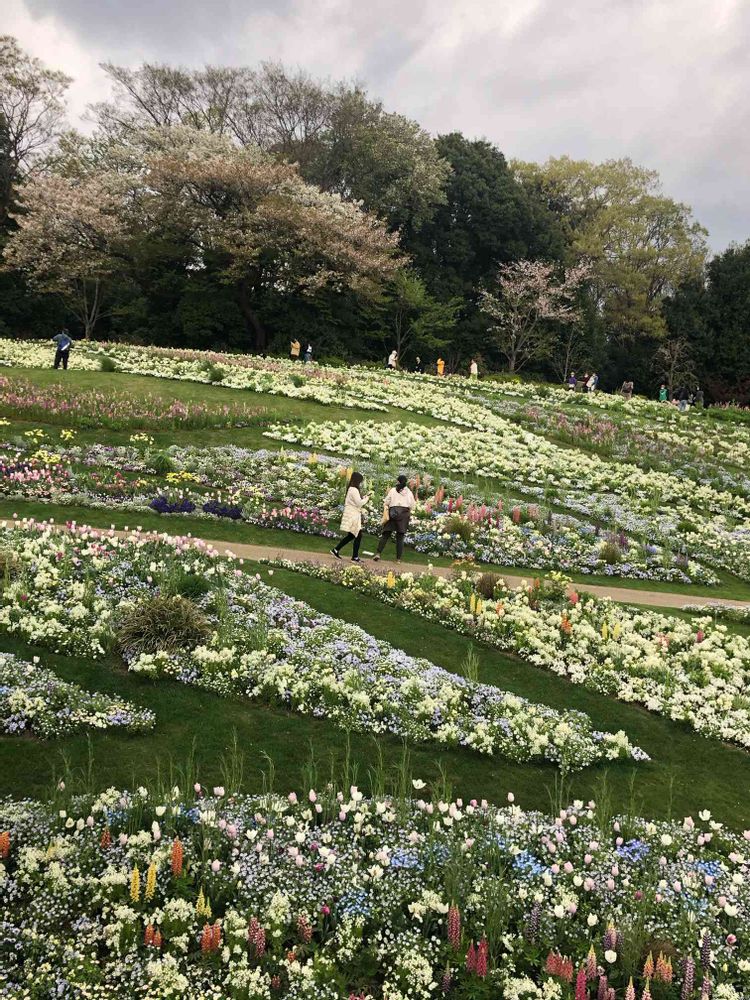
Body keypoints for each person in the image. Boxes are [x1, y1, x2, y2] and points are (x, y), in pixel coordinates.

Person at [373, 474, 416, 563]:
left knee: (385, 535)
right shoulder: (409, 492)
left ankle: (378, 553)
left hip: (393, 514)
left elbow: (386, 501)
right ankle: (398, 559)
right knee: (400, 538)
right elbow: (413, 505)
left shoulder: (393, 490)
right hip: (404, 515)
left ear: (398, 481)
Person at [330, 472, 368, 562]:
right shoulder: (354, 490)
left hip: (352, 514)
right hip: (353, 515)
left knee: (352, 535)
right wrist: (366, 499)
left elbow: (356, 501)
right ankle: (354, 557)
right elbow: (359, 503)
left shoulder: (351, 489)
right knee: (358, 535)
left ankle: (336, 550)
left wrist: (363, 498)